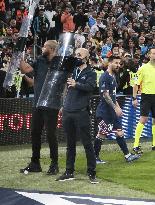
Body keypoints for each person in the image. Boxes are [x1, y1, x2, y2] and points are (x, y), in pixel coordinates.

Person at [56, 48, 98, 184]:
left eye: (79, 55)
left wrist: (77, 84)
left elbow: (90, 87)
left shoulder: (91, 73)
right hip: (68, 110)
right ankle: (69, 171)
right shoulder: (72, 71)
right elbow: (66, 90)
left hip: (81, 112)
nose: (76, 57)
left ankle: (91, 172)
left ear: (86, 58)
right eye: (76, 55)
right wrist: (63, 105)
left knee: (87, 144)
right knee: (70, 144)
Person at [20, 40, 61, 175]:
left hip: (52, 104)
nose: (42, 48)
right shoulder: (39, 61)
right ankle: (35, 163)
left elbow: (64, 84)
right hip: (38, 103)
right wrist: (19, 56)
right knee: (35, 132)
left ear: (51, 48)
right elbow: (26, 71)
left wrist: (62, 102)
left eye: (44, 46)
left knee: (50, 134)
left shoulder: (60, 62)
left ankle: (54, 164)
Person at [94, 55, 140, 163]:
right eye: (115, 63)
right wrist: (115, 107)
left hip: (112, 112)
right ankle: (94, 158)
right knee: (102, 134)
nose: (118, 65)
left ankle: (128, 156)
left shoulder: (113, 76)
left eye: (119, 63)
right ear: (109, 63)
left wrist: (118, 108)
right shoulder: (105, 77)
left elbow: (113, 96)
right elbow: (105, 95)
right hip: (105, 112)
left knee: (120, 133)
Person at [132, 47, 155, 154]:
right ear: (149, 55)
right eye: (153, 53)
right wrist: (134, 98)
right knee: (143, 119)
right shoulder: (143, 68)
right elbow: (135, 84)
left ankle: (154, 144)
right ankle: (136, 145)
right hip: (146, 96)